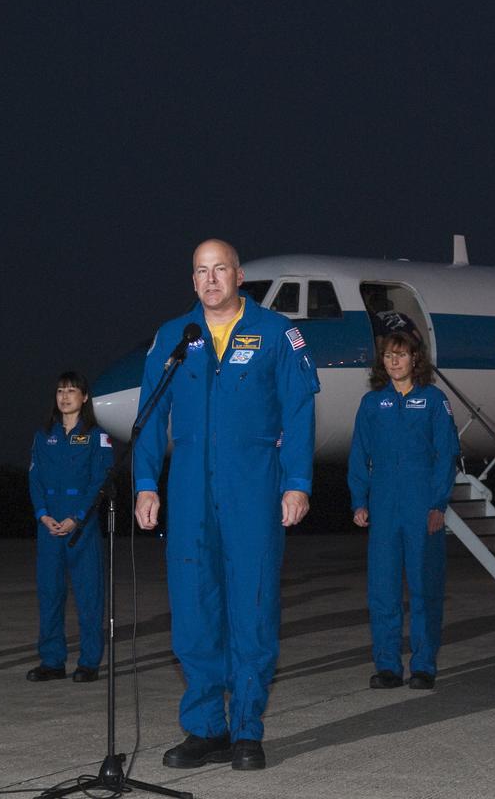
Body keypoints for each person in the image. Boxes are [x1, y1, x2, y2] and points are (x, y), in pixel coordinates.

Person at [133, 239, 320, 772]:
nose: (211, 279)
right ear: (192, 280)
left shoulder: (277, 333)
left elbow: (300, 408)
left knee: (252, 607)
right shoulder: (174, 337)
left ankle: (246, 730)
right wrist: (146, 482)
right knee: (193, 610)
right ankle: (204, 727)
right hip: (190, 490)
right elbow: (150, 415)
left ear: (239, 276)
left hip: (253, 487)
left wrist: (297, 482)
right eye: (201, 271)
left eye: (220, 269)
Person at [348, 332, 459, 691]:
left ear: (415, 359)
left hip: (421, 506)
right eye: (389, 356)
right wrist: (359, 500)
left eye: (402, 355)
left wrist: (437, 503)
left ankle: (424, 665)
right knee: (383, 590)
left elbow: (446, 456)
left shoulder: (433, 401)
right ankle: (388, 666)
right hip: (383, 507)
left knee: (425, 588)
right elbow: (358, 455)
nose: (395, 362)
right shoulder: (371, 404)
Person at [26, 371, 114, 684]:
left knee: (89, 596)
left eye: (72, 391)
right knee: (50, 594)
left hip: (82, 526)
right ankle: (52, 661)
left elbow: (100, 480)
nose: (65, 397)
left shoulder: (96, 436)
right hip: (49, 525)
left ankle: (89, 661)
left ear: (85, 397)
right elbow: (34, 478)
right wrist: (42, 515)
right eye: (61, 391)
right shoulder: (43, 435)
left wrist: (77, 516)